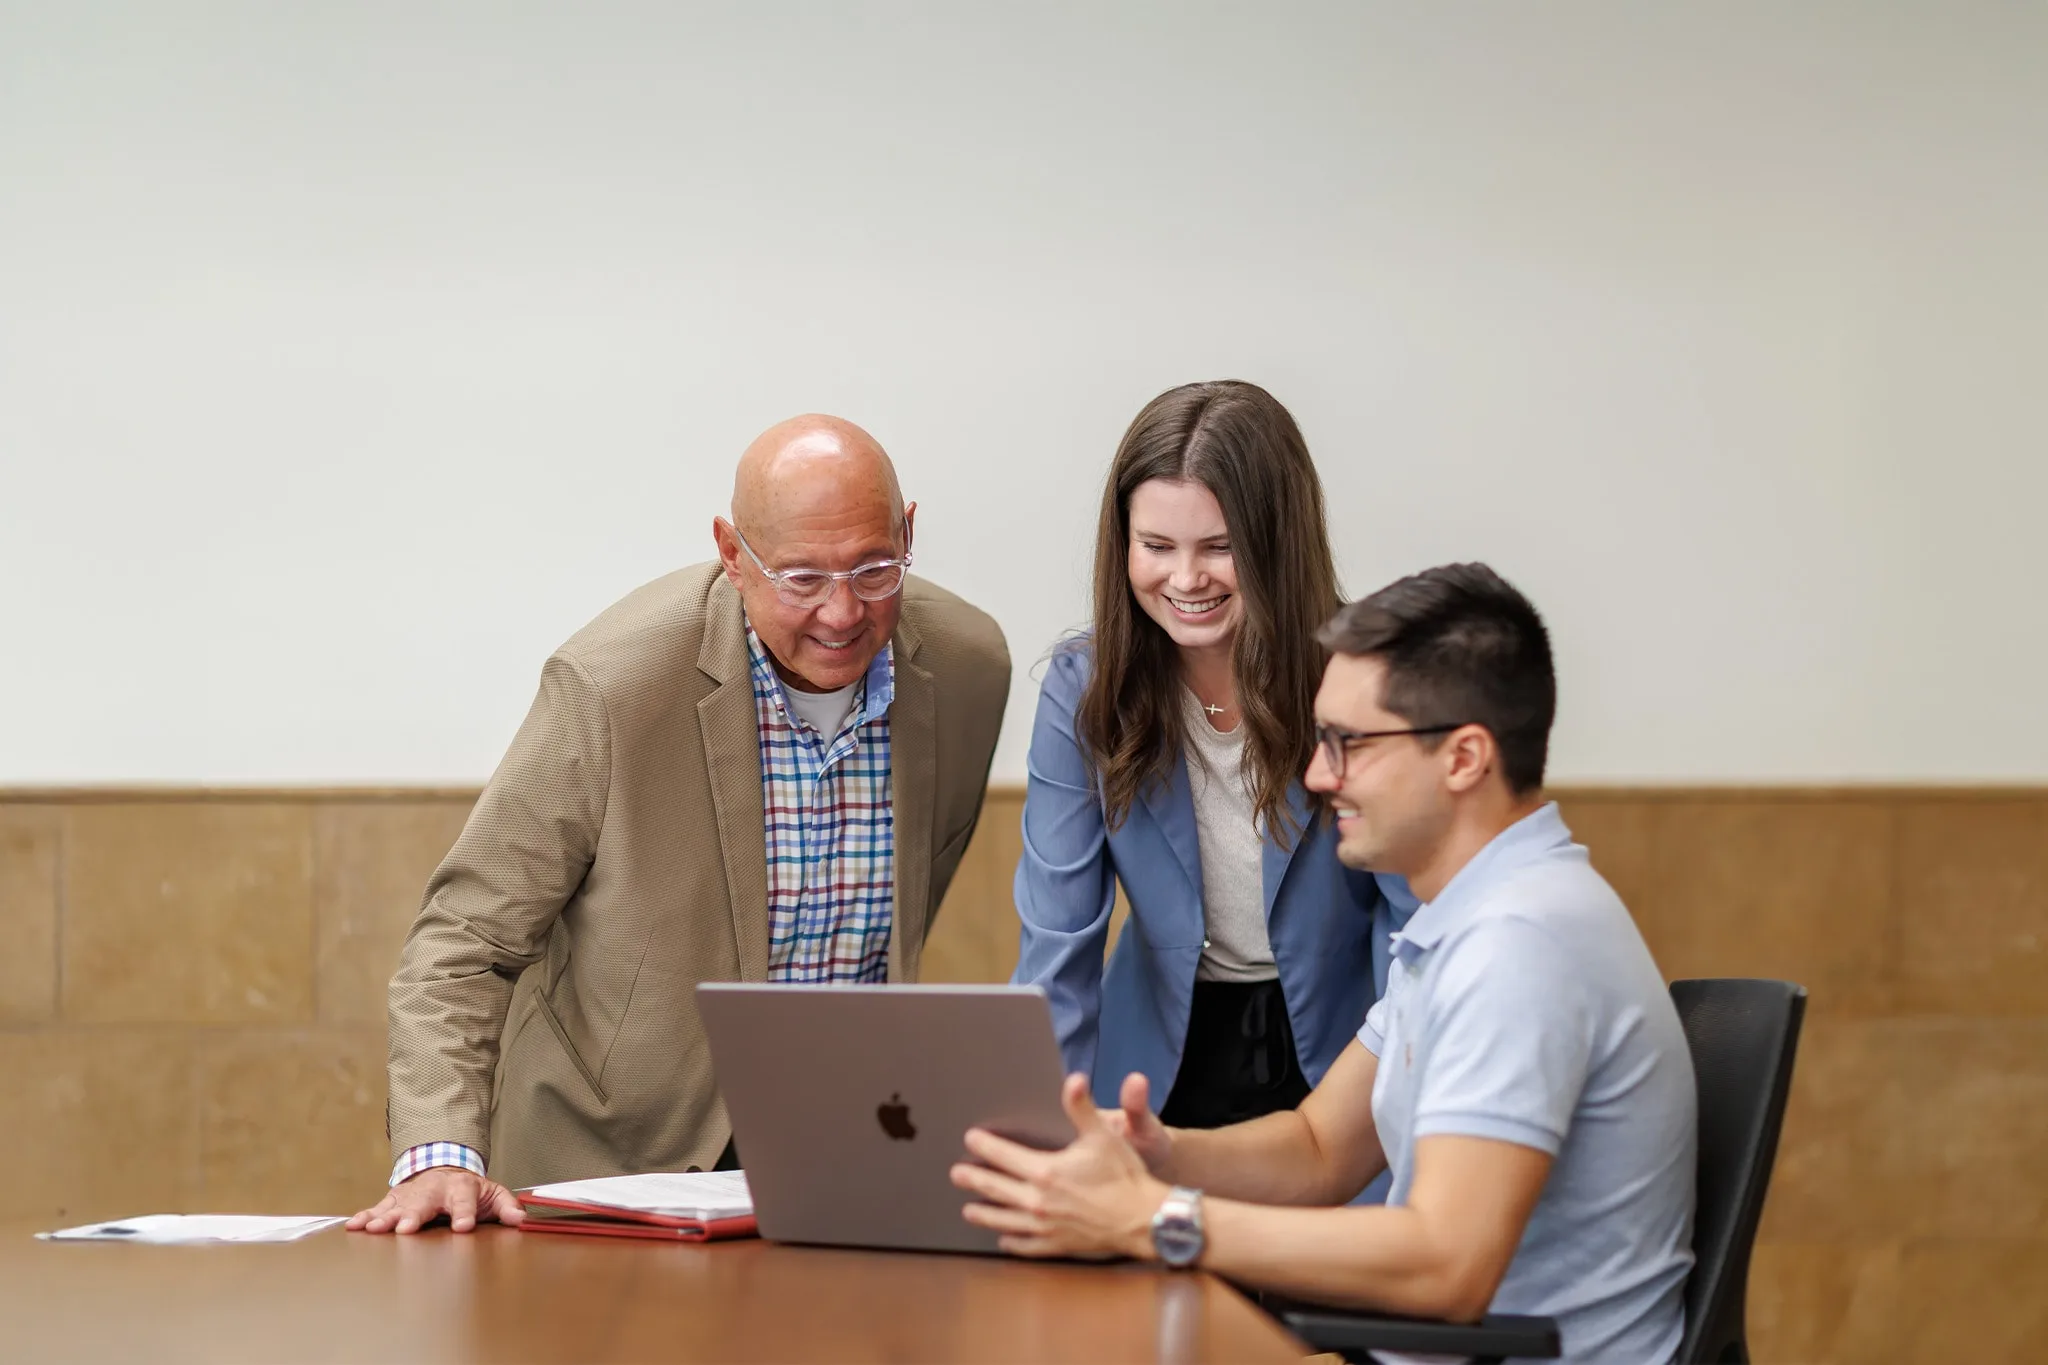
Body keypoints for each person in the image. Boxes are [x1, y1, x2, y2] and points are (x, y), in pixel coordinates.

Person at [956, 564, 1697, 1365]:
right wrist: (1158, 1153)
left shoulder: (1520, 948)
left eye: (1349, 743)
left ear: (1464, 757)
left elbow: (1446, 1264)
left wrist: (1151, 1217)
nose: (1316, 774)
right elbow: (1319, 1146)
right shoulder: (1469, 922)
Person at [348, 414, 1010, 1235]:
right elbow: (462, 943)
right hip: (612, 1167)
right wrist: (441, 1149)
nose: (843, 612)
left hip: (838, 1159)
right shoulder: (612, 688)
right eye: (801, 578)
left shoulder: (968, 670)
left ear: (908, 532)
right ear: (733, 554)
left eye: (875, 568)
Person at [1011, 379, 1416, 1138]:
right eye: (1156, 546)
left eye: (1221, 548)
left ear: (1275, 544)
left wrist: (1403, 1108)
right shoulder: (1083, 688)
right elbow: (1056, 948)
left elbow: (1411, 932)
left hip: (1347, 1054)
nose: (1186, 579)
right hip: (1157, 1065)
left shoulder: (1360, 677)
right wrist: (1045, 1140)